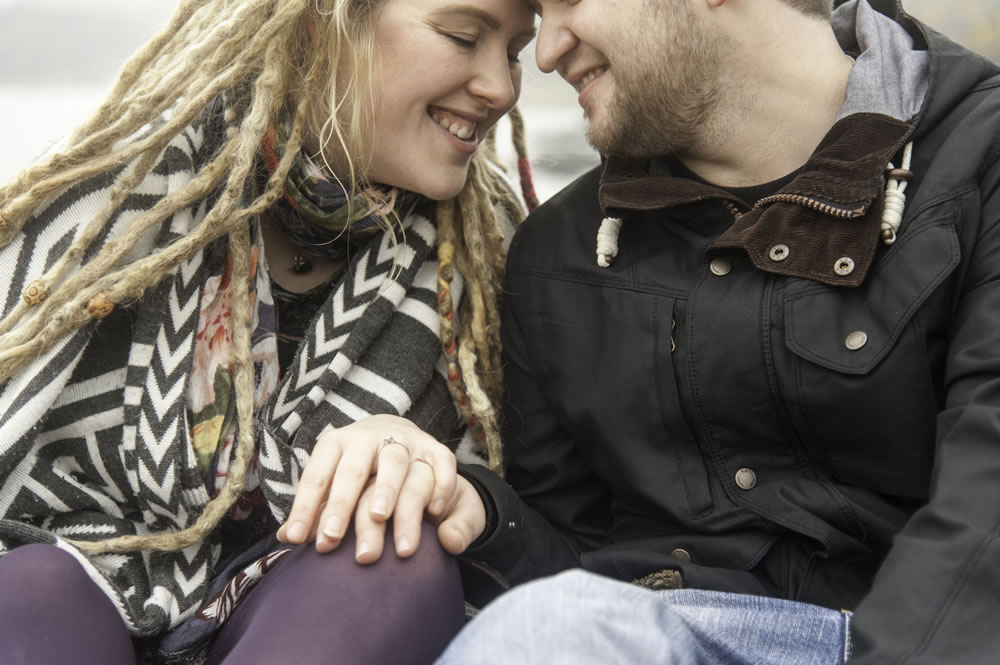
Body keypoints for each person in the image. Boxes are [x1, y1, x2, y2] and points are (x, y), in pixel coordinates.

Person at [330, 0, 1000, 663]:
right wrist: (473, 504)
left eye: (568, 2)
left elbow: (985, 517)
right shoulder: (558, 253)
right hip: (628, 631)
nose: (544, 51)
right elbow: (570, 554)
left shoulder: (979, 156)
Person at [0, 0, 536, 663]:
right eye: (464, 37)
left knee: (390, 552)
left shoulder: (490, 267)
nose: (503, 87)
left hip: (313, 603)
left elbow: (559, 529)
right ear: (322, 24)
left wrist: (444, 479)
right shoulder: (117, 210)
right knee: (29, 585)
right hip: (73, 581)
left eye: (514, 52)